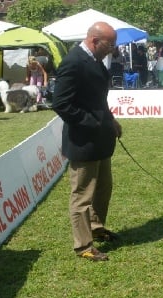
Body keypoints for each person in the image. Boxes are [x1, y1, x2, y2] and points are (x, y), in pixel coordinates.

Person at [51, 21, 122, 262]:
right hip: (83, 141)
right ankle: (83, 245)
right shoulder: (73, 62)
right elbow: (60, 103)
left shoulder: (95, 60)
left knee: (103, 187)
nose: (112, 49)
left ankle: (96, 226)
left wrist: (110, 120)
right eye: (109, 45)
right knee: (82, 195)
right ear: (94, 40)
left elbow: (97, 99)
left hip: (101, 139)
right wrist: (90, 122)